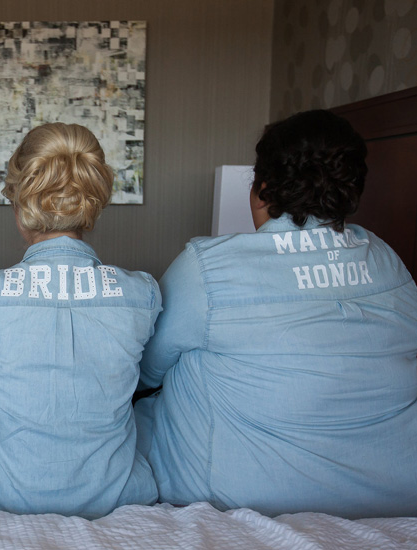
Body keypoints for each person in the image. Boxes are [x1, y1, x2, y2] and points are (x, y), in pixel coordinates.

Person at [135, 109, 417, 518]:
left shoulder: (208, 268)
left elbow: (145, 368)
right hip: (394, 492)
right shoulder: (384, 256)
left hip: (243, 493)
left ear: (262, 190)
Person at [0, 123, 160, 519]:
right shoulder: (143, 293)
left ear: (19, 206)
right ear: (92, 206)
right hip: (119, 501)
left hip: (6, 500)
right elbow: (150, 378)